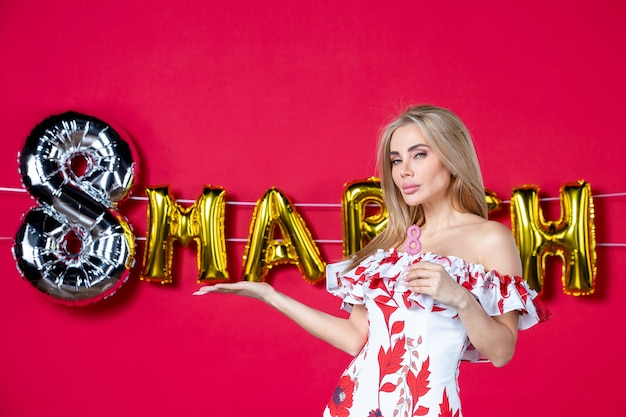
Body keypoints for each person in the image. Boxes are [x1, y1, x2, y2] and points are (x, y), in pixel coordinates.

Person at [194, 104, 551, 417]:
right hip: (354, 404)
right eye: (396, 160)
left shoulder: (490, 238)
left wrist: (461, 299)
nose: (404, 171)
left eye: (419, 155)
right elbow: (355, 338)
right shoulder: (394, 243)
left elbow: (502, 352)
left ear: (452, 158)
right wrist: (270, 296)